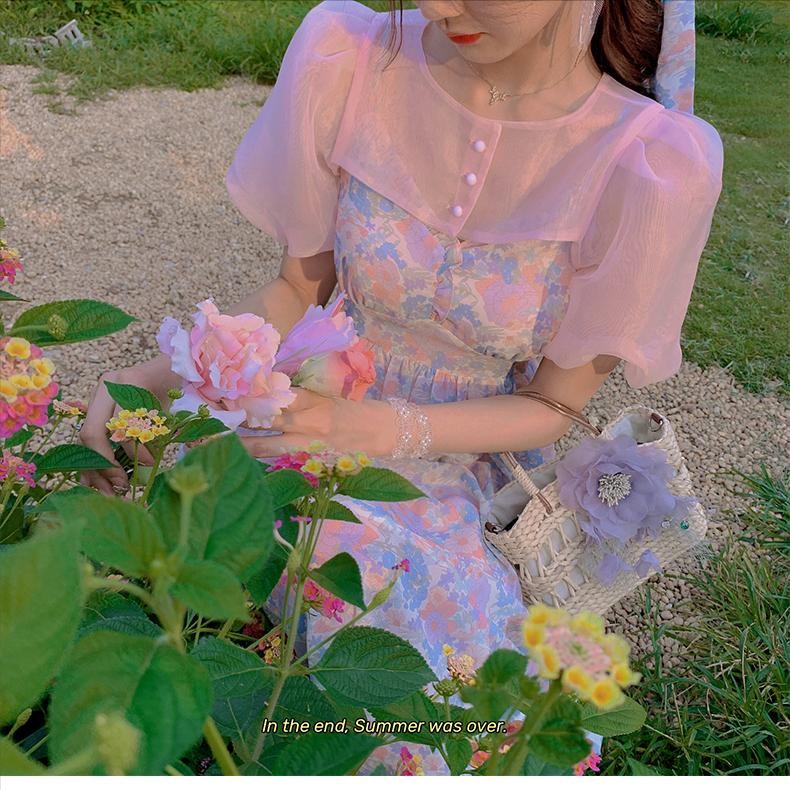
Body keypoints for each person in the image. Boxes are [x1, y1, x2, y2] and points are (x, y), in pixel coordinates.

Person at [78, 0, 723, 775]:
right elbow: (297, 291)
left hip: (452, 465)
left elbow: (553, 405)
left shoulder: (648, 160)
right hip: (304, 406)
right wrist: (150, 379)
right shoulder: (352, 57)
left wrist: (378, 430)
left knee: (406, 667)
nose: (438, 6)